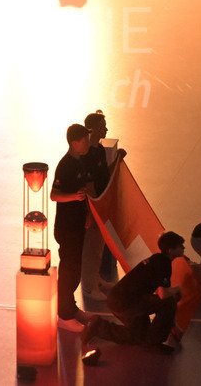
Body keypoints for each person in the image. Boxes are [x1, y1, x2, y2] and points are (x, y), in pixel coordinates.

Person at [82, 231, 186, 354]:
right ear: (171, 250)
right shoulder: (163, 265)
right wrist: (179, 289)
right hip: (126, 302)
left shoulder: (156, 259)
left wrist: (174, 326)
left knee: (137, 336)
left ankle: (98, 327)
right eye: (180, 246)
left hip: (119, 300)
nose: (183, 248)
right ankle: (154, 343)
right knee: (170, 301)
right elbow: (165, 295)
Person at [49, 124, 93, 329]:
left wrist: (88, 213)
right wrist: (73, 197)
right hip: (66, 228)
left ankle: (71, 308)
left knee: (75, 268)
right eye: (85, 139)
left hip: (78, 225)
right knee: (69, 270)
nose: (89, 142)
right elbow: (54, 195)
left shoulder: (81, 162)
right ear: (75, 143)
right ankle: (64, 316)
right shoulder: (65, 165)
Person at [79, 111, 125, 300]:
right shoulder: (87, 152)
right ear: (94, 128)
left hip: (100, 203)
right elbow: (88, 184)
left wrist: (117, 161)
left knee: (99, 245)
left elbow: (103, 174)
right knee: (91, 247)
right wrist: (94, 207)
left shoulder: (98, 150)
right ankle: (89, 287)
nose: (106, 128)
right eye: (103, 125)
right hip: (93, 207)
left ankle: (95, 278)